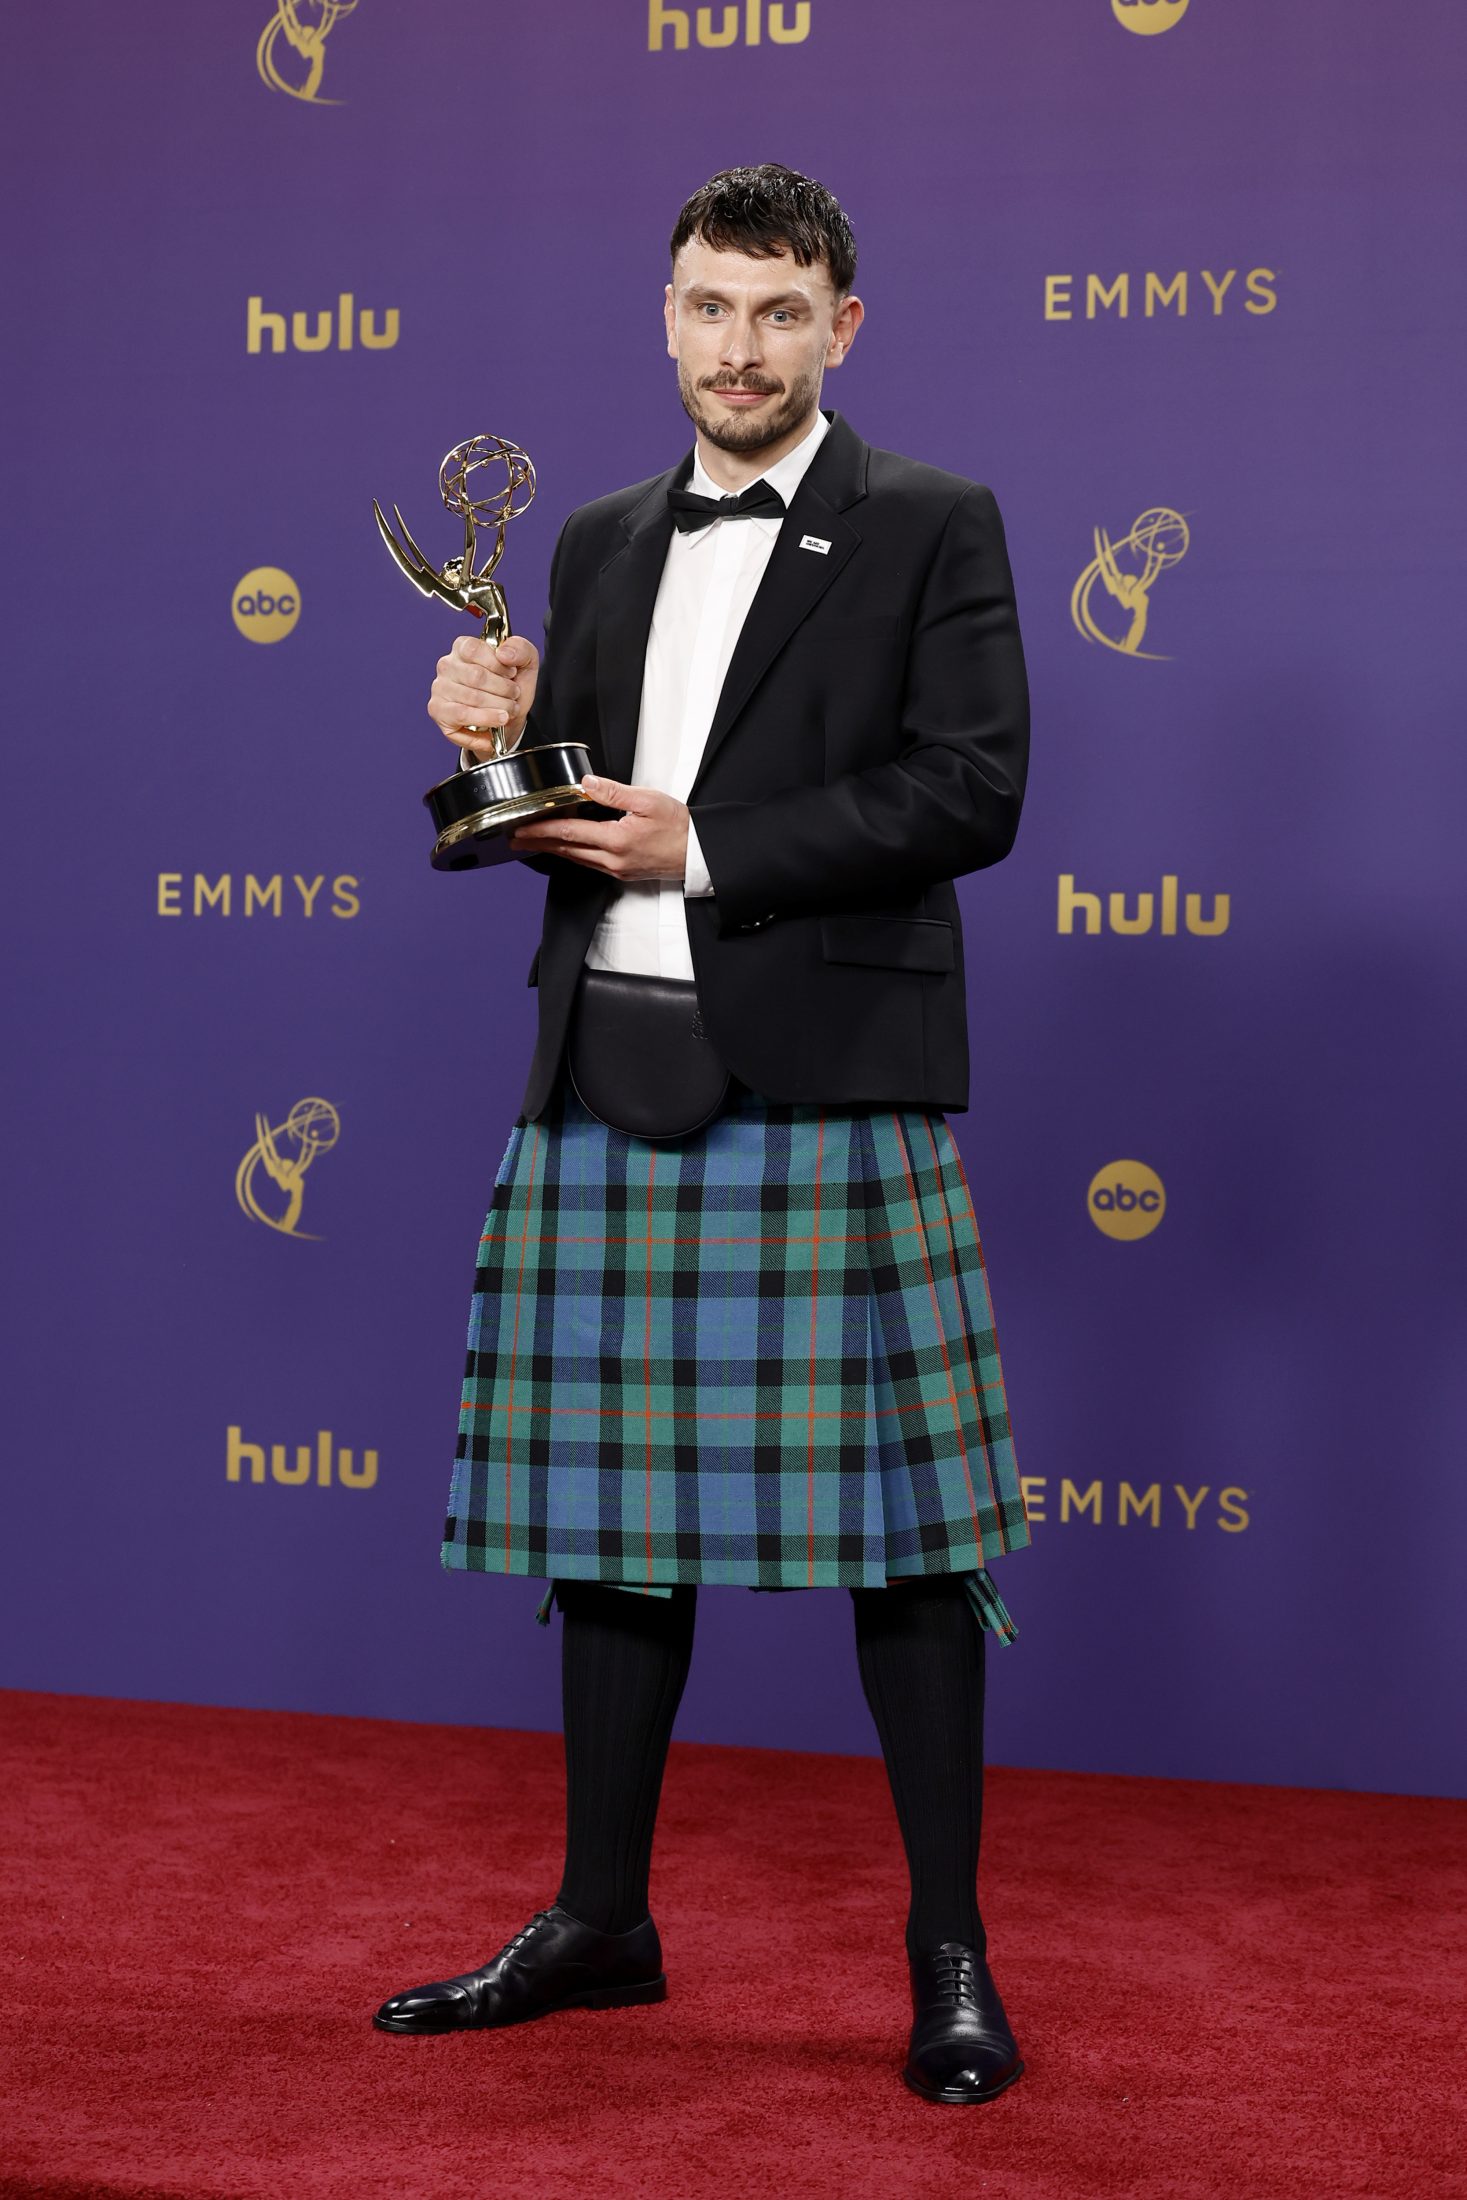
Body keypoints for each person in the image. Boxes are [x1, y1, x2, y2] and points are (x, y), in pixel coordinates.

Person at [374, 163, 1033, 2106]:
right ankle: (600, 1918)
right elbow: (559, 821)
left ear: (841, 324)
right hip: (607, 1069)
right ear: (665, 317)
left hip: (826, 1080)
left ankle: (948, 1949)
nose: (739, 347)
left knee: (908, 1541)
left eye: (778, 310)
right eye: (708, 307)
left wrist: (712, 845)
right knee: (605, 1528)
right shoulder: (591, 538)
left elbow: (973, 788)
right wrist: (485, 744)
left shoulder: (930, 519)